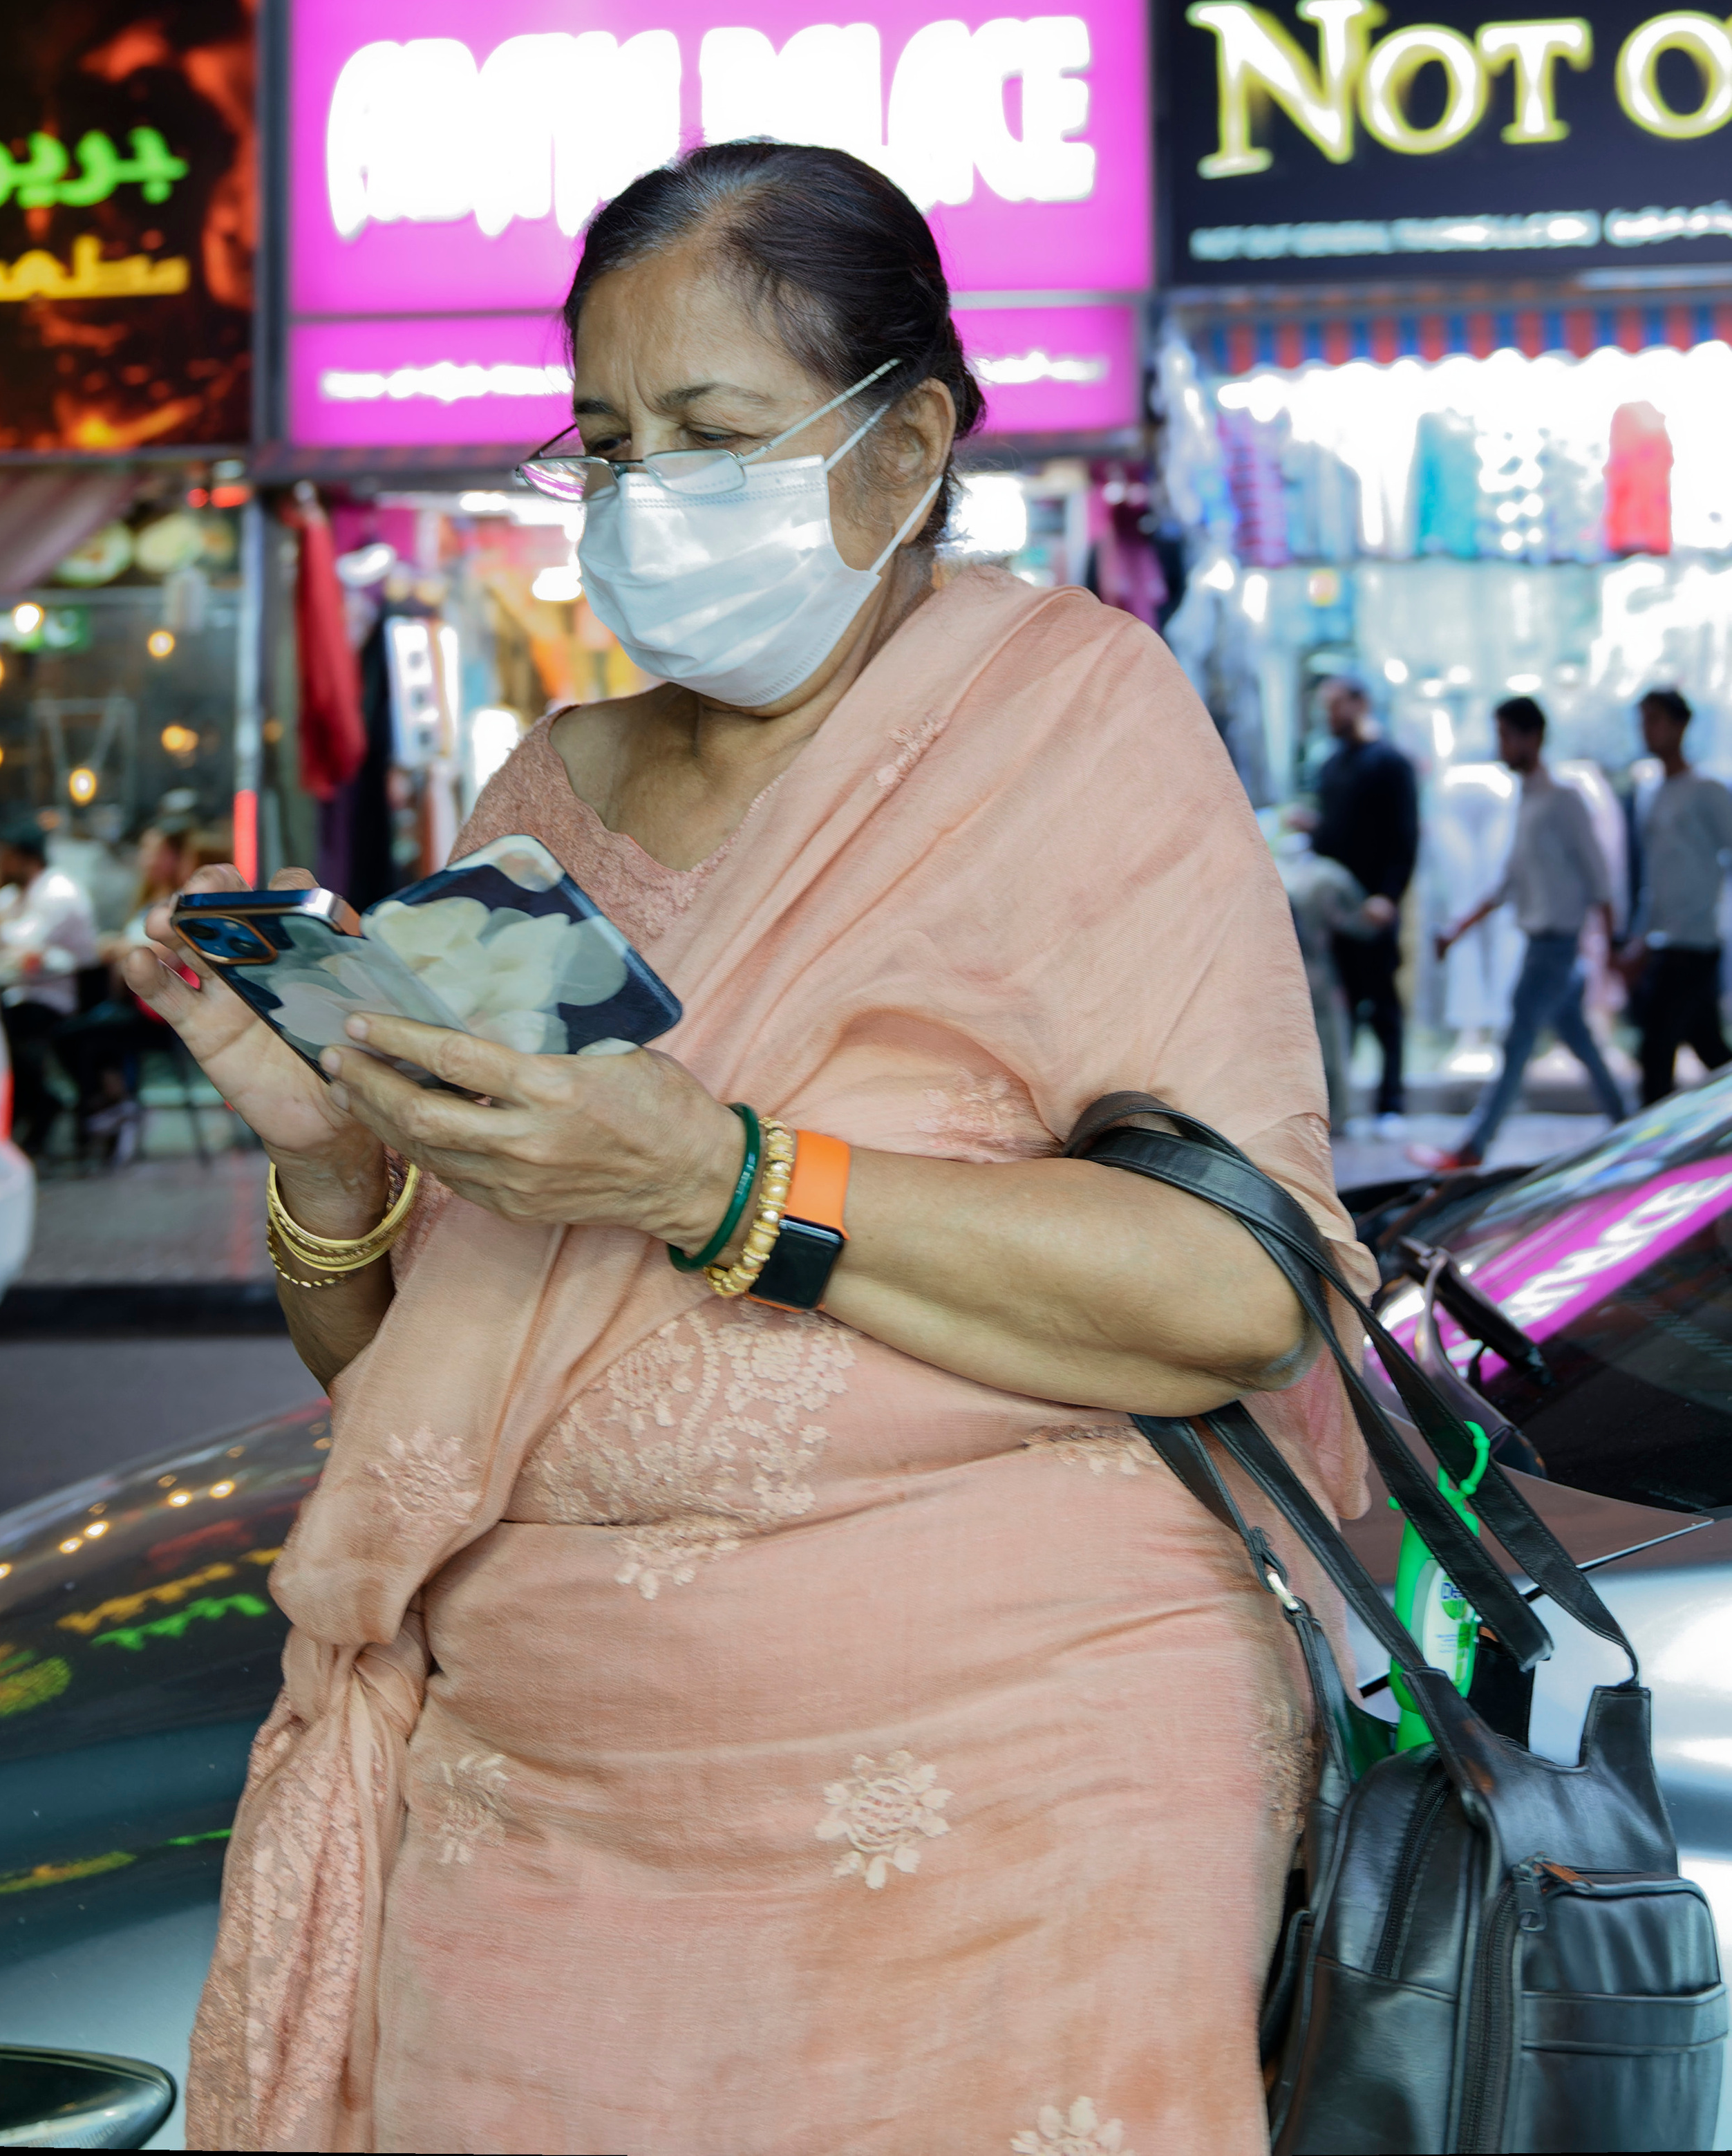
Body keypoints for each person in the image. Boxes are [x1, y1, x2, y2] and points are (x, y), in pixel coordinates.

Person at [138, 140, 1374, 2156]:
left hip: (993, 1829)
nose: (645, 500)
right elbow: (432, 1388)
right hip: (538, 1824)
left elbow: (1240, 1292)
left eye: (711, 433)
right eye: (608, 444)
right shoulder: (554, 776)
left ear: (902, 453)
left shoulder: (1068, 716)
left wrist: (718, 1180)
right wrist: (337, 1172)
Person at [1436, 696, 1626, 1166]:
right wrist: (1459, 927)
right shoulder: (1528, 798)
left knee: (1517, 1040)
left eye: (1506, 734)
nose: (1501, 745)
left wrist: (1614, 950)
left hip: (1555, 948)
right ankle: (1626, 1122)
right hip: (1544, 945)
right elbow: (1508, 880)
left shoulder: (1564, 799)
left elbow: (1599, 877)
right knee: (1579, 1041)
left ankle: (1474, 1144)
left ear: (1532, 737)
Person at [1306, 675, 1419, 1134]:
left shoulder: (1390, 763)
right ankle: (1344, 1104)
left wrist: (1389, 897)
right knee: (1344, 1007)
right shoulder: (1330, 766)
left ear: (1360, 703)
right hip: (1340, 912)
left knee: (1384, 1007)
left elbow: (1405, 836)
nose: (1331, 715)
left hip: (1375, 907)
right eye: (1326, 707)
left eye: (1337, 705)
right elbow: (1333, 837)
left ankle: (1391, 1102)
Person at [52, 816, 199, 1163]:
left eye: (152, 851)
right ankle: (112, 1104)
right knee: (80, 1032)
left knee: (81, 1038)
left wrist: (121, 949)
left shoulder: (179, 905)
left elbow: (161, 958)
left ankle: (108, 1109)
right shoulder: (149, 901)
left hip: (159, 1013)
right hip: (131, 1003)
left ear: (172, 857)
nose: (145, 859)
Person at [1619, 688, 1732, 1105]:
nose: (1647, 732)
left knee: (1657, 1048)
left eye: (1655, 720)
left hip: (1697, 940)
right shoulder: (1651, 792)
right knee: (1706, 1046)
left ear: (1680, 726)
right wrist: (1640, 937)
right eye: (1643, 721)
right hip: (1666, 940)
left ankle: (1648, 1150)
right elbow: (1656, 877)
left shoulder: (1708, 790)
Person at [0, 821, 98, 1155]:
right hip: (14, 996)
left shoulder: (59, 892)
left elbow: (19, 949)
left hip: (57, 999)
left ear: (25, 859)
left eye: (3, 857)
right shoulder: (12, 896)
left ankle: (39, 1106)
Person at [1274, 827, 1394, 1135]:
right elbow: (1361, 924)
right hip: (1310, 974)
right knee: (1325, 1049)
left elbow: (1360, 924)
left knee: (1315, 1048)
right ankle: (1330, 1118)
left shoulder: (1270, 871)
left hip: (1290, 976)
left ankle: (1317, 1119)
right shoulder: (1325, 875)